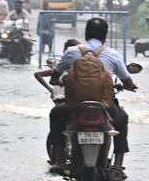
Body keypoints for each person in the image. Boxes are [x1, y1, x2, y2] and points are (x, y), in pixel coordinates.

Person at [40, 18, 137, 167]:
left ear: (86, 34)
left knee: (55, 115)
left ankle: (59, 160)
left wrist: (60, 82)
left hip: (74, 107)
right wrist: (129, 86)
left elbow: (54, 78)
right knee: (122, 120)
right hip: (105, 107)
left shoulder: (71, 52)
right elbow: (128, 82)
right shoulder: (113, 54)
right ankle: (118, 165)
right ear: (105, 36)